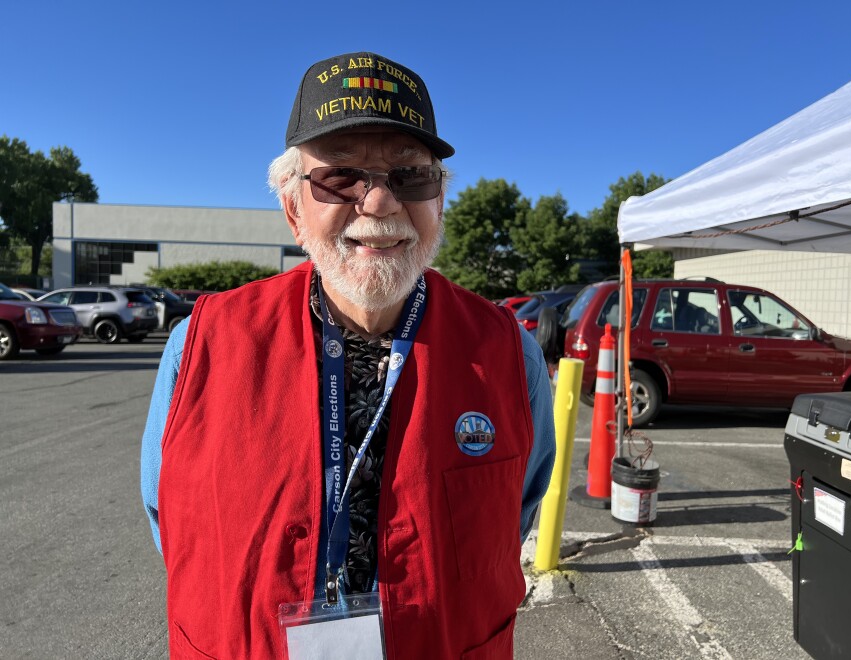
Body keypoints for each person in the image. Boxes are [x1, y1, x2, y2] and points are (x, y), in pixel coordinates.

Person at [141, 51, 555, 659]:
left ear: (438, 202)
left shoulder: (508, 353)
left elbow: (516, 511)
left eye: (411, 176)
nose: (380, 202)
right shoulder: (199, 346)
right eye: (341, 176)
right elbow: (169, 523)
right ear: (292, 207)